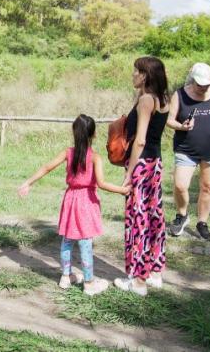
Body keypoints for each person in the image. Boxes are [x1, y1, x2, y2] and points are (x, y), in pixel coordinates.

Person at [18, 114, 130, 296]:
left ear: (74, 132)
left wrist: (28, 182)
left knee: (67, 240)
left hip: (70, 199)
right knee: (85, 242)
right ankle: (89, 282)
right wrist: (122, 190)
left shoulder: (67, 153)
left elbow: (47, 167)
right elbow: (101, 183)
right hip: (86, 201)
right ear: (93, 135)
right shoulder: (95, 157)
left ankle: (65, 276)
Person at [114, 56, 170, 297]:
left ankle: (137, 281)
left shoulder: (146, 100)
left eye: (135, 72)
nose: (132, 75)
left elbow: (140, 139)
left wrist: (129, 172)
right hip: (156, 163)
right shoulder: (162, 99)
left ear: (145, 75)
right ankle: (155, 272)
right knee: (154, 215)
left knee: (138, 219)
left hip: (142, 163)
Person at [166, 62, 210, 242]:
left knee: (208, 187)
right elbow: (170, 120)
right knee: (180, 185)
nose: (203, 88)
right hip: (186, 149)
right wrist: (182, 126)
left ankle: (202, 223)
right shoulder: (180, 94)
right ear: (192, 81)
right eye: (200, 85)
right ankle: (182, 215)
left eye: (207, 85)